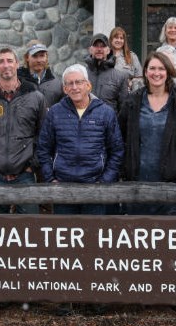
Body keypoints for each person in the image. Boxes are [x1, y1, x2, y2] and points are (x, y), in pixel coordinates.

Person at [118, 52, 176, 216]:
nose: (156, 73)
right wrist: (126, 163)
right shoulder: (133, 101)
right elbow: (119, 134)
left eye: (161, 69)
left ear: (168, 71)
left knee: (170, 235)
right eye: (152, 68)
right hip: (137, 182)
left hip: (171, 182)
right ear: (145, 72)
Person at [37, 64, 124, 214]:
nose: (74, 87)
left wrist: (104, 181)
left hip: (95, 188)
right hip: (63, 187)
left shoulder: (105, 113)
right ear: (64, 89)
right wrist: (50, 179)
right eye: (69, 83)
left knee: (93, 234)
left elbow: (117, 150)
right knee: (64, 235)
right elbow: (43, 149)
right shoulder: (55, 113)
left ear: (88, 85)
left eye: (79, 82)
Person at [0, 45, 46, 214]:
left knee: (29, 228)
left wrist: (32, 165)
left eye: (9, 60)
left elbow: (44, 135)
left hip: (25, 174)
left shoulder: (35, 97)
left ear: (17, 64)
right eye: (1, 61)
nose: (6, 65)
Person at [84, 33, 130, 112]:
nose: (99, 49)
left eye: (103, 46)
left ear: (108, 50)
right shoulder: (81, 75)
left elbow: (124, 110)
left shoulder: (120, 77)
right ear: (90, 50)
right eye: (96, 46)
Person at [17, 40, 64, 108]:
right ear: (27, 57)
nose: (39, 60)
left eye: (42, 56)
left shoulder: (58, 84)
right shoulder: (16, 82)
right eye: (35, 56)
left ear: (46, 57)